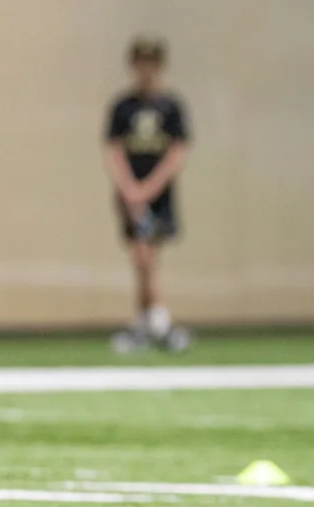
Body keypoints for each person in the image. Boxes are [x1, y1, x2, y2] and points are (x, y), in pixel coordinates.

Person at [104, 36, 191, 352]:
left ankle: (150, 322)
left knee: (146, 257)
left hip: (158, 196)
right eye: (140, 63)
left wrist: (149, 188)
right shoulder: (123, 107)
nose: (145, 70)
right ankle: (156, 323)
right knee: (142, 256)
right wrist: (130, 189)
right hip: (130, 195)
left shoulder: (171, 107)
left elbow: (177, 151)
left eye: (151, 64)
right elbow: (113, 149)